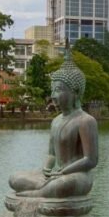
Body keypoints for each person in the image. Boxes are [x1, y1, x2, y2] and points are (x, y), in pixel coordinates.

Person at [8, 52, 98, 198]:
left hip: (77, 176)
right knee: (14, 178)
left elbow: (90, 160)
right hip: (57, 174)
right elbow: (51, 154)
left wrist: (63, 172)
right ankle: (45, 189)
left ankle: (39, 193)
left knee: (63, 184)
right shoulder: (56, 121)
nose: (53, 96)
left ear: (75, 92)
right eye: (52, 90)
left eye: (58, 90)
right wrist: (46, 169)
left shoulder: (86, 121)